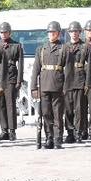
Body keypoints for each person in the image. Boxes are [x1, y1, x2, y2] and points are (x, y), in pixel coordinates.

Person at [31, 21, 69, 150]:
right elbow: (36, 69)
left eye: (54, 32)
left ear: (58, 33)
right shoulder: (41, 49)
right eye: (50, 32)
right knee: (46, 114)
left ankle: (58, 139)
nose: (51, 34)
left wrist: (66, 87)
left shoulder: (64, 48)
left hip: (58, 85)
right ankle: (49, 138)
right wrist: (33, 87)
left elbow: (69, 71)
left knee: (57, 114)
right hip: (44, 85)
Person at [65, 21, 91, 144]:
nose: (74, 33)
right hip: (68, 80)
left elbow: (90, 67)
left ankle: (78, 132)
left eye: (76, 31)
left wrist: (88, 83)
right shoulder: (65, 47)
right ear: (69, 33)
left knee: (79, 109)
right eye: (72, 31)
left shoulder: (85, 46)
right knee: (68, 109)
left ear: (80, 32)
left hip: (80, 79)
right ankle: (70, 132)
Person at [0, 22, 23, 140]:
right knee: (1, 104)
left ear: (9, 33)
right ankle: (4, 130)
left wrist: (19, 80)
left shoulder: (16, 45)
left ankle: (12, 130)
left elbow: (21, 64)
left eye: (5, 32)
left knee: (10, 105)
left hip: (11, 76)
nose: (3, 34)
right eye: (1, 32)